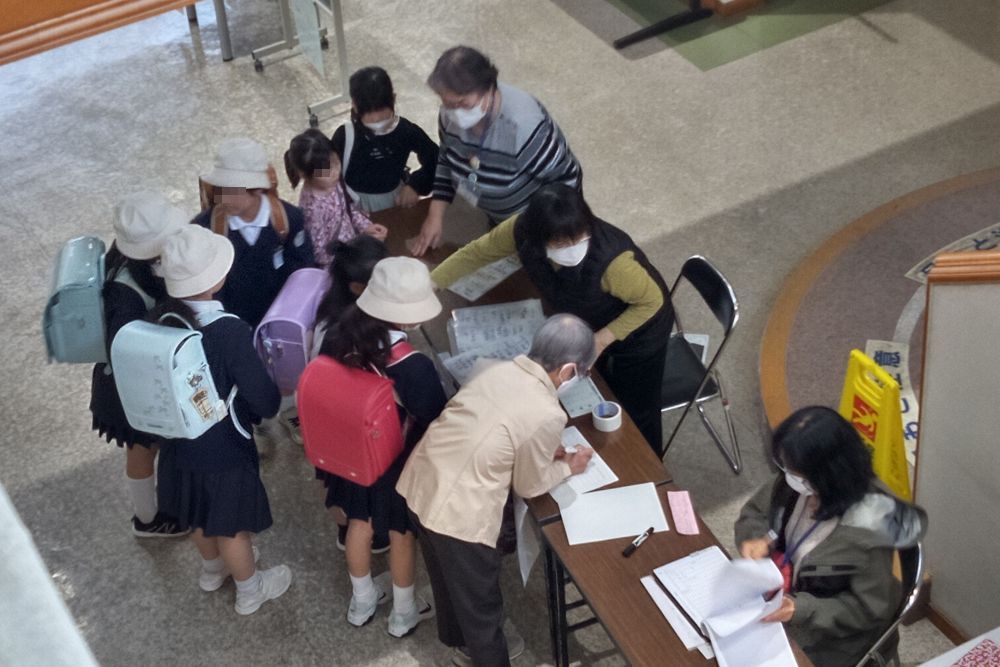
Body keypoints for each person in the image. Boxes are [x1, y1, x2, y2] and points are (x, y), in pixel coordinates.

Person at [397, 314, 597, 667]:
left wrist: (538, 450)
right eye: (582, 372)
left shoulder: (492, 368)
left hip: (421, 480)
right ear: (568, 371)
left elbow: (496, 429)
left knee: (445, 578)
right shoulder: (547, 412)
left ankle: (459, 642)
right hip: (459, 515)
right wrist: (569, 466)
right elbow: (529, 484)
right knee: (482, 609)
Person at [430, 184, 673, 456]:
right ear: (538, 237)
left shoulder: (614, 264)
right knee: (597, 393)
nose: (572, 248)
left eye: (579, 237)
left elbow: (652, 302)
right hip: (589, 319)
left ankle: (652, 463)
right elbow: (477, 253)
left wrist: (602, 339)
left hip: (641, 331)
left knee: (637, 407)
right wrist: (431, 283)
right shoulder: (521, 231)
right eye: (560, 243)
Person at [153, 225, 291, 615]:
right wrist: (272, 402)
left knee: (198, 511)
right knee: (230, 524)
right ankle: (251, 590)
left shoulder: (160, 318)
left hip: (176, 442)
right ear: (213, 280)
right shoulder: (228, 330)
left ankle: (213, 570)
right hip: (223, 447)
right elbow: (261, 396)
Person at [735, 406, 927, 667]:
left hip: (832, 639)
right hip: (779, 598)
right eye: (785, 467)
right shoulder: (794, 481)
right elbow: (754, 512)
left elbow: (868, 611)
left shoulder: (868, 533)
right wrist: (755, 538)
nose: (789, 477)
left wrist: (800, 609)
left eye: (798, 474)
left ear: (829, 475)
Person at [318, 257, 447, 636]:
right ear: (407, 317)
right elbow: (434, 415)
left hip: (349, 453)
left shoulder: (338, 336)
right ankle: (404, 612)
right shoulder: (412, 365)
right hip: (395, 462)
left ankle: (361, 601)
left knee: (359, 523)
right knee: (400, 534)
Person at [409, 45, 582, 256]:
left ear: (488, 88)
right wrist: (435, 215)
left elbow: (567, 180)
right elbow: (446, 159)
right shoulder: (449, 115)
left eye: (462, 103)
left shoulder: (524, 127)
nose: (454, 112)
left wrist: (549, 235)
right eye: (447, 103)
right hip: (498, 221)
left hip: (536, 225)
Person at [90, 191, 187, 537]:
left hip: (138, 380)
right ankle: (147, 519)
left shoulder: (129, 266)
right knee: (142, 448)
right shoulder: (125, 292)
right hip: (128, 389)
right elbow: (125, 345)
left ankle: (152, 511)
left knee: (146, 446)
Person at [310, 235, 390, 554]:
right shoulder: (352, 330)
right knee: (351, 486)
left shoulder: (330, 311)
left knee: (333, 480)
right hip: (345, 422)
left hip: (326, 419)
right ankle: (358, 532)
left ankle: (345, 529)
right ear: (358, 287)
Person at [194, 137, 315, 327]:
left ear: (257, 190)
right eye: (220, 190)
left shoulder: (289, 219)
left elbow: (301, 268)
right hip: (236, 324)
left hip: (278, 318)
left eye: (233, 191)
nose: (223, 198)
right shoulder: (205, 228)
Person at [331, 66, 439, 213]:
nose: (378, 124)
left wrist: (415, 185)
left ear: (394, 99)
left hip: (394, 201)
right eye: (371, 120)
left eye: (384, 118)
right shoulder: (344, 136)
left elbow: (436, 160)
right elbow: (323, 170)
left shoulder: (406, 131)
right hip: (354, 204)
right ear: (355, 107)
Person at [284, 129, 387, 268]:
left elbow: (347, 209)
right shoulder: (312, 209)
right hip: (339, 265)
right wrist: (353, 251)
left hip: (352, 247)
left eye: (336, 163)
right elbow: (319, 253)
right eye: (325, 170)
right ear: (304, 174)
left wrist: (365, 226)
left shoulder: (332, 182)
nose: (335, 172)